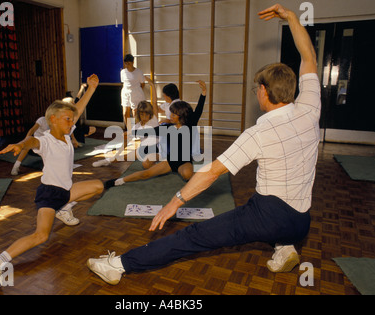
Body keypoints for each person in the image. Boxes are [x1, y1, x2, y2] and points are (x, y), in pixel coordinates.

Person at [87, 4, 321, 285]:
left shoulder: (260, 131)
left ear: (262, 91)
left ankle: (119, 265)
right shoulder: (311, 106)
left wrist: (175, 202)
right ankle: (285, 247)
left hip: (268, 215)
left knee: (193, 237)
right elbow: (308, 56)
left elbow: (211, 172)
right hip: (301, 221)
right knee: (273, 217)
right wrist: (293, 18)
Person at [0, 74, 104, 289]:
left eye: (72, 119)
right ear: (53, 120)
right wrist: (21, 144)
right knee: (40, 236)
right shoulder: (46, 140)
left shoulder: (66, 132)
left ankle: (64, 209)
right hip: (50, 193)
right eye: (67, 119)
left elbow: (78, 109)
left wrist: (92, 88)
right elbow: (31, 140)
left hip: (65, 190)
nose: (72, 122)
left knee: (97, 186)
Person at [104, 80, 206, 188]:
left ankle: (204, 177)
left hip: (185, 161)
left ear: (180, 115)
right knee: (146, 174)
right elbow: (148, 131)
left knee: (187, 175)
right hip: (171, 160)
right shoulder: (167, 128)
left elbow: (199, 109)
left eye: (173, 114)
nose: (170, 116)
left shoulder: (190, 124)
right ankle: (118, 181)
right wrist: (130, 133)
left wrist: (204, 91)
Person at [92, 75, 160, 169]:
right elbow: (126, 142)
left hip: (157, 148)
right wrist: (118, 154)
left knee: (144, 160)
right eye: (142, 114)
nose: (145, 117)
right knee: (123, 157)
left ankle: (156, 163)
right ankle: (107, 161)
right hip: (144, 149)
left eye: (147, 114)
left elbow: (155, 103)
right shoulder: (137, 126)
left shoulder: (154, 119)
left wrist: (152, 84)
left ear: (150, 113)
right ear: (139, 114)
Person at [120, 54, 145, 129]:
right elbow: (123, 82)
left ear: (133, 62)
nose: (127, 65)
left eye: (129, 63)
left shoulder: (139, 72)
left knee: (135, 114)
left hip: (136, 92)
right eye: (126, 63)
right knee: (125, 113)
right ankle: (129, 130)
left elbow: (142, 84)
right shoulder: (123, 72)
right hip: (125, 92)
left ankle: (136, 131)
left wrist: (136, 91)